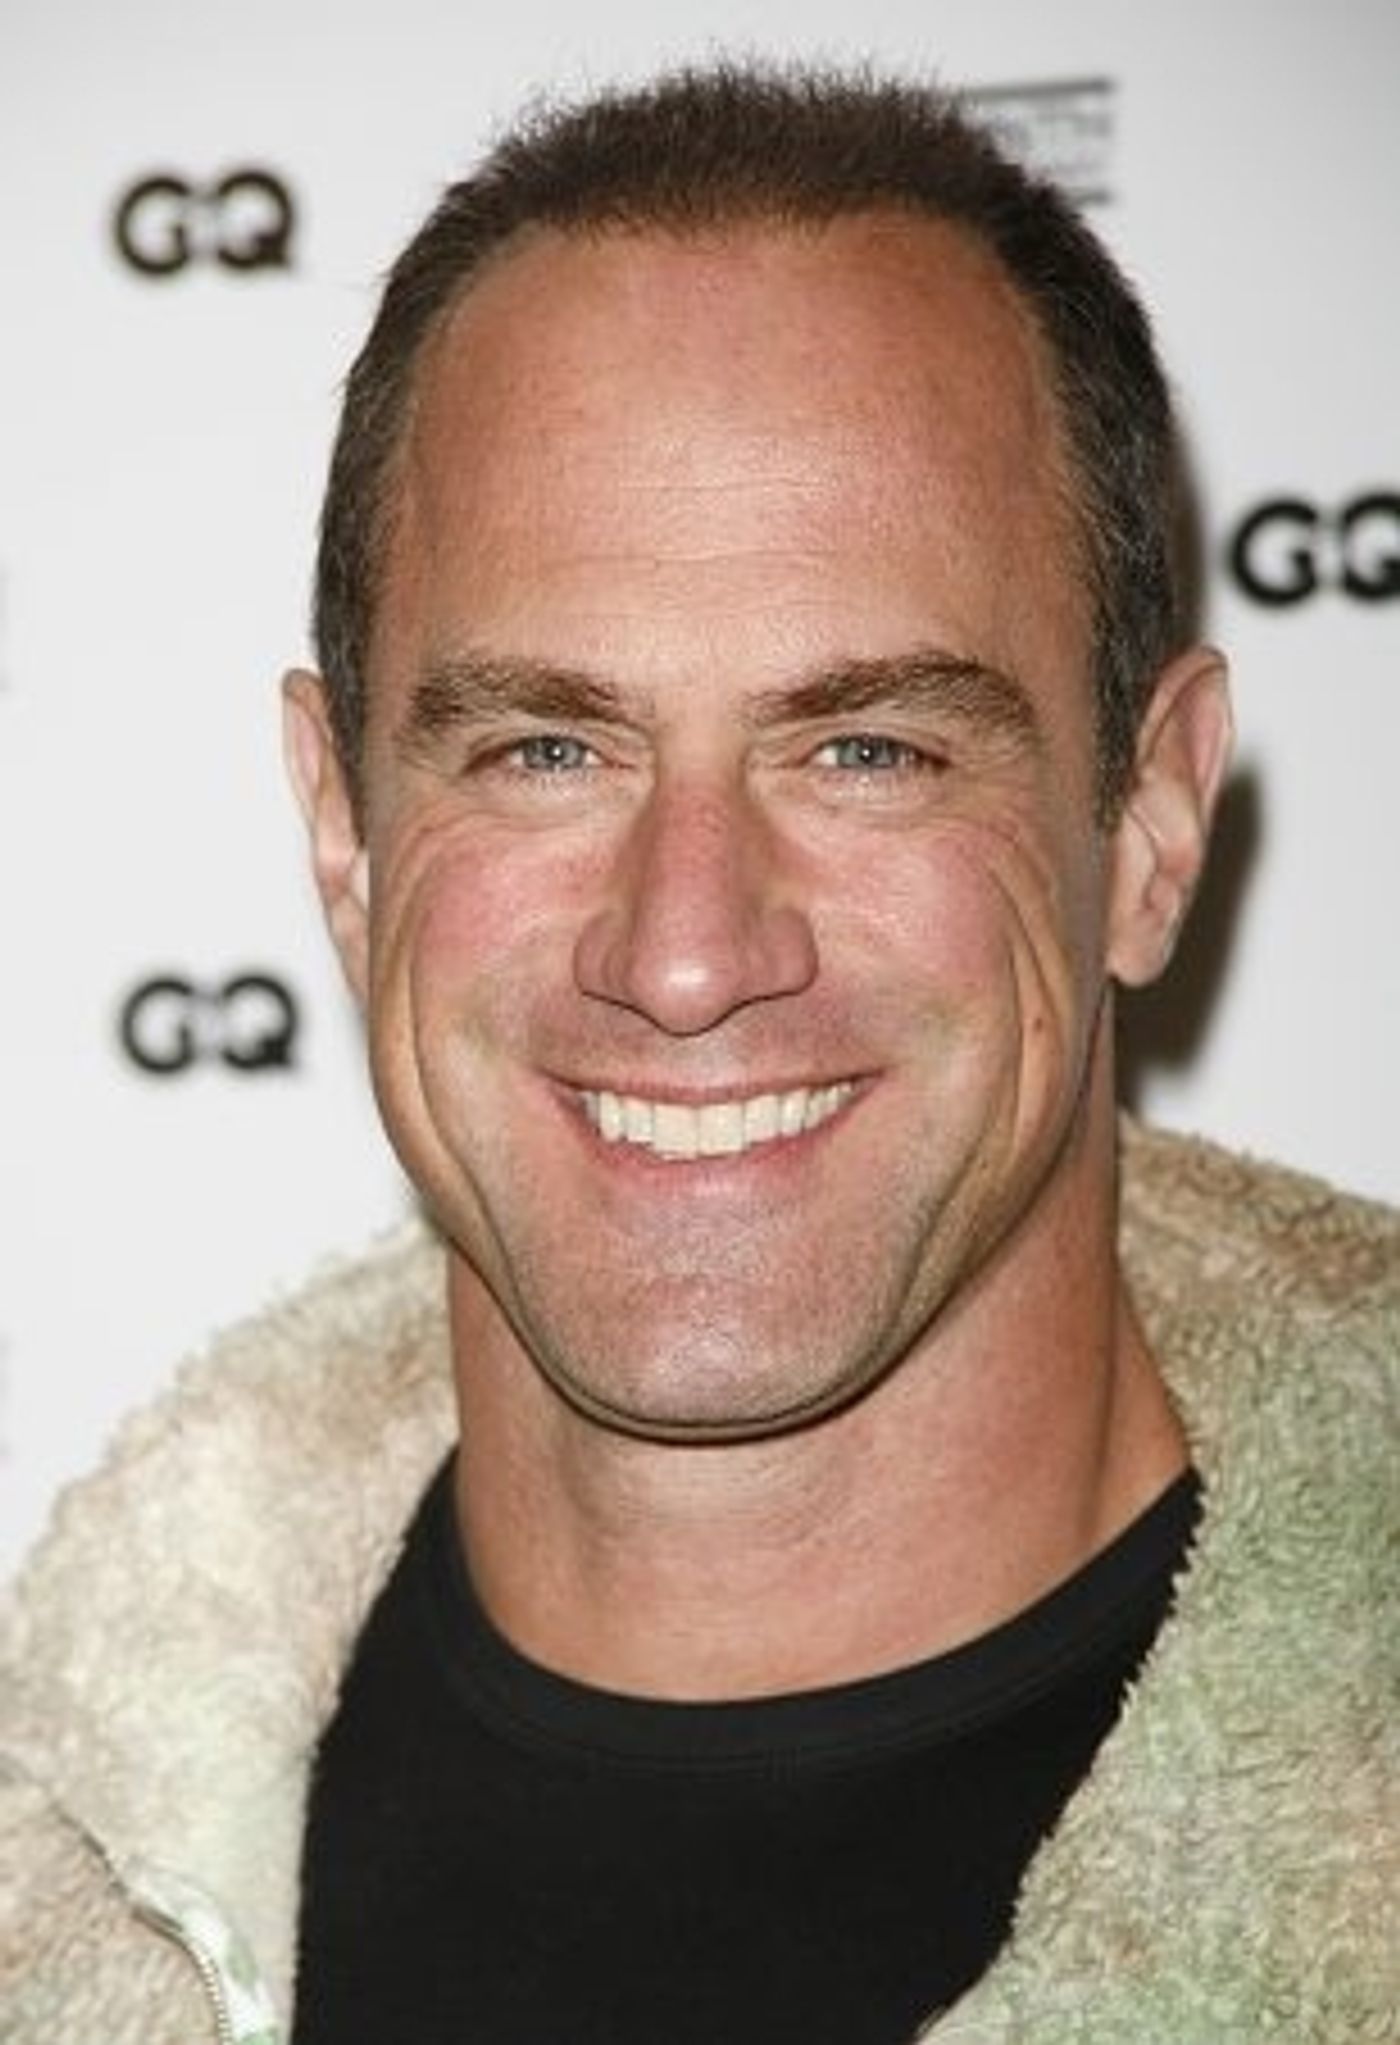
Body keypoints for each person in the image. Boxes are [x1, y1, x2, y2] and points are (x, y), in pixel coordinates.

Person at [2, 62, 1396, 2045]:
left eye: (866, 749)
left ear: (1152, 827)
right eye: (545, 749)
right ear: (344, 839)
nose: (682, 955)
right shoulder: (49, 1871)